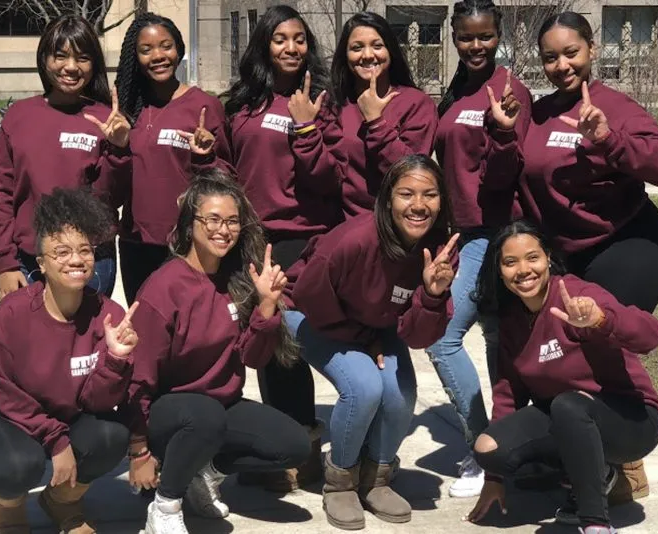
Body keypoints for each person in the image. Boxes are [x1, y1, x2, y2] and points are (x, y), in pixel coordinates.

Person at [518, 11, 658, 503]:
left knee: (596, 346)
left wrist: (610, 140)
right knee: (552, 350)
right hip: (567, 253)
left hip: (629, 245)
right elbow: (529, 184)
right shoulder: (542, 112)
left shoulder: (616, 105)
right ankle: (569, 455)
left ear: (591, 50)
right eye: (550, 57)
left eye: (571, 52)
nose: (562, 64)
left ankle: (621, 466)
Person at [124, 170, 311, 534]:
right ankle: (165, 504)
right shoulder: (163, 288)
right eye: (212, 219)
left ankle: (203, 474)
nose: (223, 230)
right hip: (168, 413)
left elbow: (253, 359)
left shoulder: (235, 280)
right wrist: (138, 450)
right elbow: (138, 377)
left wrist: (266, 309)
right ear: (189, 222)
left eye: (232, 221)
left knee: (293, 445)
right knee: (205, 415)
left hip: (218, 408)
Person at [285, 154, 458, 530]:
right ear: (387, 199)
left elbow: (416, 336)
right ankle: (341, 480)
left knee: (399, 394)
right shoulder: (353, 240)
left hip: (374, 325)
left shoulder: (440, 249)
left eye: (429, 194)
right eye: (406, 194)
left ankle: (376, 477)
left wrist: (431, 295)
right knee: (363, 387)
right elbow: (311, 297)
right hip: (311, 314)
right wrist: (364, 340)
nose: (418, 205)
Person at [0, 188, 139, 534]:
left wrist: (115, 359)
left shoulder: (108, 315)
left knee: (111, 437)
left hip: (58, 414)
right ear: (40, 264)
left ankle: (61, 502)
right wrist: (56, 440)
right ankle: (7, 507)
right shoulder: (13, 313)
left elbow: (95, 402)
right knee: (18, 465)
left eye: (85, 250)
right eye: (61, 252)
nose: (75, 259)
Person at [465, 220, 658, 534]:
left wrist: (601, 320)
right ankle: (597, 474)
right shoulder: (512, 321)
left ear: (547, 258)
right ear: (499, 271)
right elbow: (507, 396)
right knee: (489, 448)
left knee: (568, 406)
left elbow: (651, 336)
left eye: (533, 257)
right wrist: (494, 481)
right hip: (566, 415)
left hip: (632, 421)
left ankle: (595, 523)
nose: (523, 270)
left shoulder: (577, 295)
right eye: (510, 262)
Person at [223, 4, 345, 492]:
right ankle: (281, 450)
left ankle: (308, 446)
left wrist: (308, 128)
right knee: (269, 345)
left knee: (304, 346)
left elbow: (331, 178)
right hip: (254, 239)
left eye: (299, 39)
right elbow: (228, 171)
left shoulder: (326, 100)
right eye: (280, 39)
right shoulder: (241, 104)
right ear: (263, 46)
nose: (291, 48)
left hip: (307, 238)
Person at [429, 0, 533, 499]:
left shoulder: (511, 91)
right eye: (467, 36)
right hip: (463, 233)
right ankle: (500, 446)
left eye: (486, 36)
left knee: (445, 338)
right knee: (494, 341)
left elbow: (516, 169)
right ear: (453, 35)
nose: (476, 46)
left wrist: (502, 129)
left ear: (499, 35)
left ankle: (485, 448)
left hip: (496, 235)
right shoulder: (454, 92)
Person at [0, 14, 130, 302]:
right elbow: (2, 194)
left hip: (90, 259)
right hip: (29, 259)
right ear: (44, 59)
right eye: (61, 56)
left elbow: (111, 199)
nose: (70, 67)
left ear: (94, 65)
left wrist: (118, 149)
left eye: (82, 58)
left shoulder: (107, 120)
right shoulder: (19, 116)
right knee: (35, 344)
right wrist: (5, 261)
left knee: (85, 346)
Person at [115, 12, 233, 304]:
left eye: (165, 46)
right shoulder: (127, 109)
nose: (158, 56)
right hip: (136, 243)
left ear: (179, 49)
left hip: (189, 243)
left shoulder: (205, 106)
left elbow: (228, 178)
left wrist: (204, 158)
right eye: (146, 50)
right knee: (144, 330)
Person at [331, 12, 439, 219]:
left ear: (391, 51)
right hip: (342, 228)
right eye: (357, 47)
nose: (368, 55)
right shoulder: (336, 104)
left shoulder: (416, 104)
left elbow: (411, 175)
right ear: (345, 55)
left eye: (377, 46)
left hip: (395, 229)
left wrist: (376, 123)